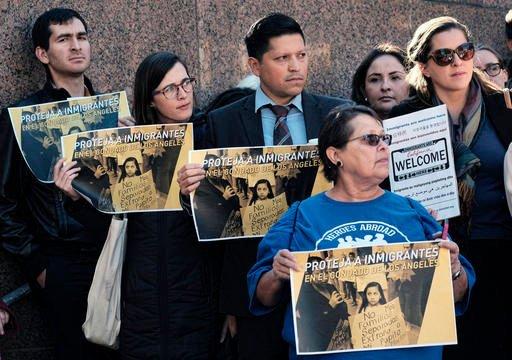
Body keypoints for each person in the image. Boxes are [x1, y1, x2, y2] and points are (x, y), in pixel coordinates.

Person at [178, 13, 350, 359]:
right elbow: (216, 222)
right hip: (255, 287)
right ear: (255, 66)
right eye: (282, 58)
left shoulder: (339, 114)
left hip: (330, 275)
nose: (295, 66)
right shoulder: (221, 122)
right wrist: (190, 194)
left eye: (301, 55)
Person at [247, 104, 474, 360]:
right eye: (370, 139)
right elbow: (263, 297)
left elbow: (458, 294)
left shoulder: (415, 212)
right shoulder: (301, 215)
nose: (383, 147)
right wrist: (277, 275)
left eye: (385, 139)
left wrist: (453, 268)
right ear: (335, 155)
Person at [388, 16, 512, 358]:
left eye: (464, 51)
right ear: (425, 67)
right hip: (435, 255)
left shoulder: (503, 107)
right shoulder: (404, 118)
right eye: (444, 56)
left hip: (501, 247)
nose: (457, 61)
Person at [0, 8, 115, 359]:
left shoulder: (114, 111)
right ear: (42, 53)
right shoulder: (23, 118)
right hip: (64, 262)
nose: (76, 46)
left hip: (118, 253)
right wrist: (39, 267)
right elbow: (4, 203)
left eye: (82, 37)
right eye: (63, 39)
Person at [114, 51, 220, 359]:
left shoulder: (210, 137)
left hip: (198, 301)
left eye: (186, 82)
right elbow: (109, 226)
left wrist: (193, 199)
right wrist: (76, 195)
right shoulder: (129, 144)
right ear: (149, 100)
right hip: (140, 302)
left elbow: (227, 227)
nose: (183, 93)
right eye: (170, 89)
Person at [295, 256, 350, 353]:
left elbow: (342, 305)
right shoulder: (303, 295)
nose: (324, 276)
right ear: (308, 275)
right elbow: (310, 322)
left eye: (325, 272)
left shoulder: (330, 287)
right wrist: (330, 305)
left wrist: (345, 317)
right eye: (319, 273)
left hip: (341, 337)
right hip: (323, 343)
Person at [351, 43, 410, 119]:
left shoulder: (429, 120)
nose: (385, 87)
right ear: (363, 90)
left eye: (395, 78)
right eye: (375, 80)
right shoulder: (348, 128)